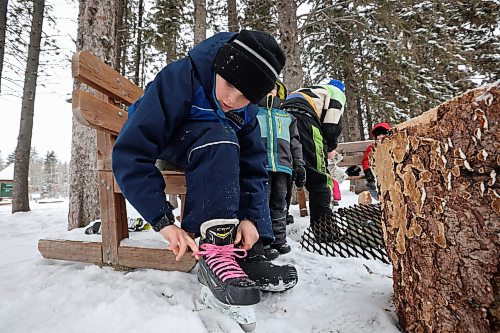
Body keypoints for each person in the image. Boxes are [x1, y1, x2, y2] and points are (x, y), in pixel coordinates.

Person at [112, 31, 298, 325]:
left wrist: (251, 219)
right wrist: (161, 220)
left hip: (213, 148)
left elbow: (254, 166)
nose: (233, 99)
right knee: (221, 138)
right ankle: (216, 252)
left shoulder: (245, 110)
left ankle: (249, 253)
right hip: (168, 140)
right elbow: (131, 151)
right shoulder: (180, 79)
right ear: (219, 68)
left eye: (246, 96)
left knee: (230, 144)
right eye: (231, 85)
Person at [280, 80, 346, 229]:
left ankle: (279, 220)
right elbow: (332, 123)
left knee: (285, 172)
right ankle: (323, 228)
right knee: (318, 179)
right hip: (305, 120)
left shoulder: (308, 90)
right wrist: (330, 147)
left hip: (282, 119)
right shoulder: (335, 92)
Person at [256, 80, 306, 256]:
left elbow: (295, 142)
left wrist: (299, 163)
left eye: (273, 87)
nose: (270, 90)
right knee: (261, 203)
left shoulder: (287, 117)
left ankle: (279, 239)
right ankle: (263, 240)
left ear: (279, 92)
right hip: (259, 166)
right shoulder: (253, 112)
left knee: (279, 203)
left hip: (283, 167)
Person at [362, 122, 391, 201]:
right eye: (378, 135)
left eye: (383, 134)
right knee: (372, 183)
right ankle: (380, 197)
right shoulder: (372, 148)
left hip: (389, 171)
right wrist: (367, 171)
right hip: (377, 171)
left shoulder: (393, 146)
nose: (381, 136)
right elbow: (366, 160)